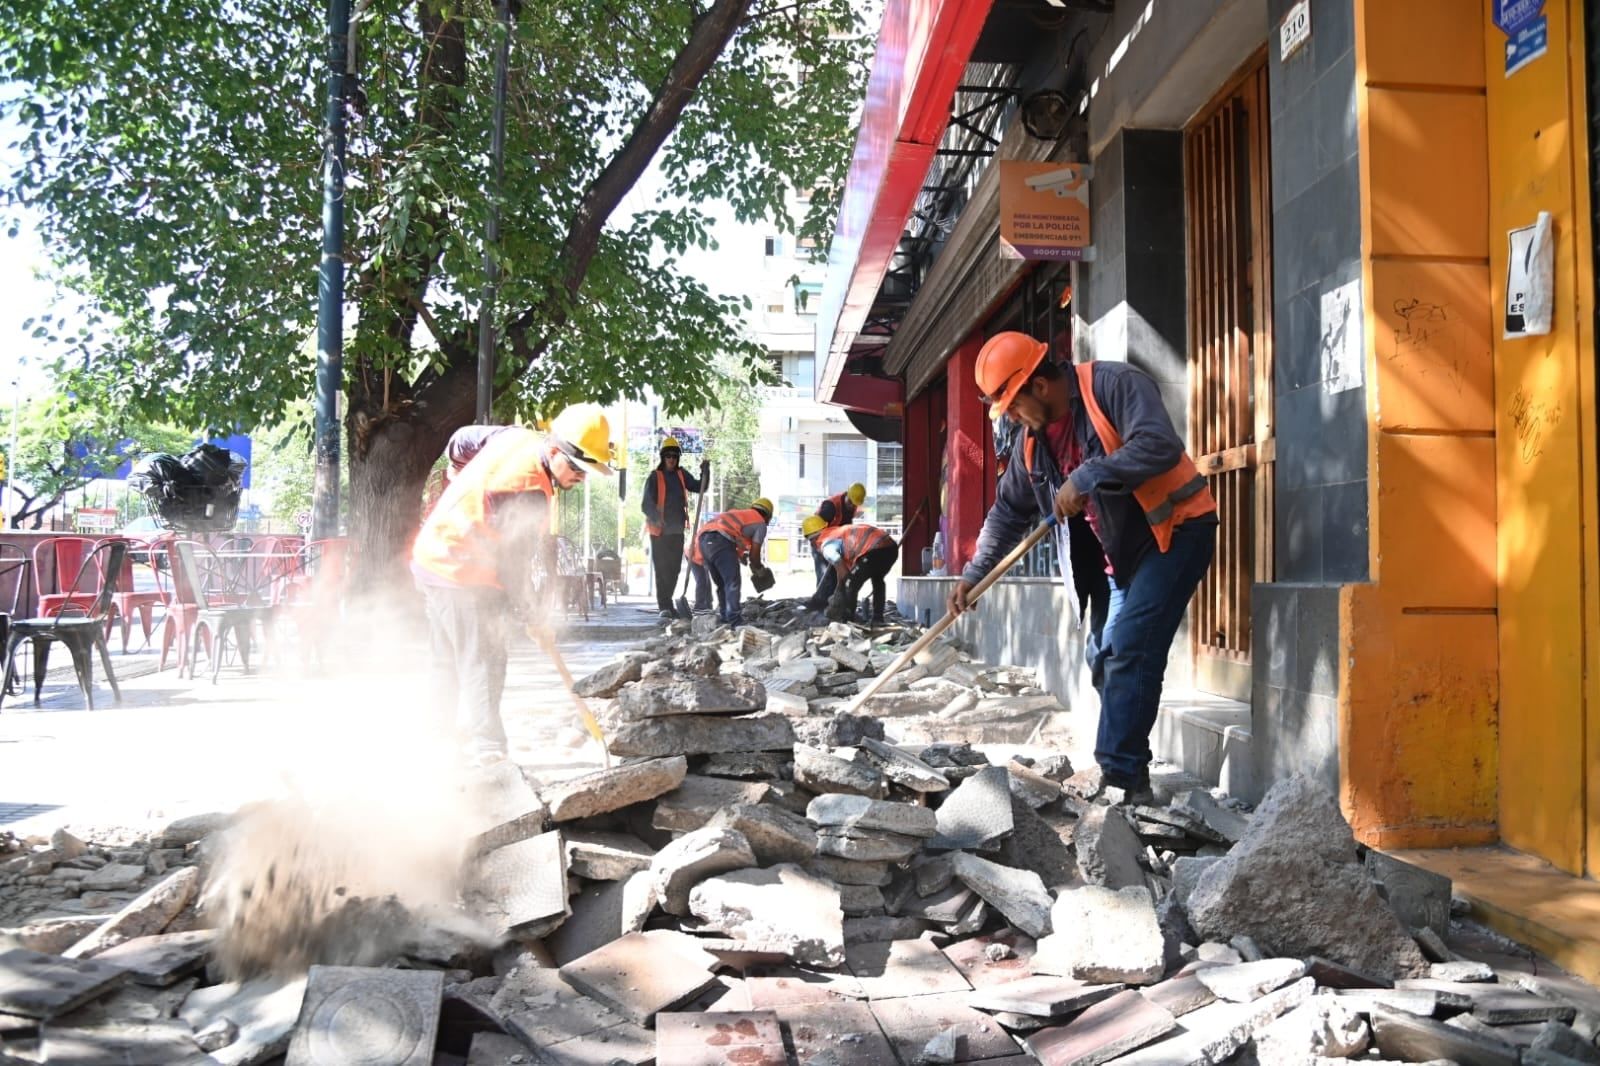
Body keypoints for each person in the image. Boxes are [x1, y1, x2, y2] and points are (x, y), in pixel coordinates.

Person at [947, 332, 1217, 803]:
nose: (1011, 417)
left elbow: (1158, 444)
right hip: (1119, 559)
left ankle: (1122, 781)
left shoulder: (1114, 385)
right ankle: (1126, 768)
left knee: (1133, 647)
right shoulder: (1033, 447)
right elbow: (1008, 513)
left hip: (1176, 532)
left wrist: (1088, 474)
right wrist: (974, 573)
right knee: (1105, 656)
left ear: (1040, 385)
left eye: (1013, 404)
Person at [411, 405, 616, 766]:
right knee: (485, 659)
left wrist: (459, 475)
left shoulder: (514, 437)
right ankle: (488, 752)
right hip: (461, 571)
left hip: (432, 557)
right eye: (577, 468)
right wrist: (529, 612)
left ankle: (434, 743)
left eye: (588, 471)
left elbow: (459, 441)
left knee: (448, 660)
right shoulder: (525, 490)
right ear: (555, 452)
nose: (581, 478)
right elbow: (513, 564)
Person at [641, 436, 707, 620]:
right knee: (662, 571)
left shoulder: (681, 475)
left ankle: (668, 603)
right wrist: (655, 518)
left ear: (678, 458)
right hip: (659, 533)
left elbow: (699, 487)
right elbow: (646, 504)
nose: (671, 459)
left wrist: (705, 474)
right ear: (663, 457)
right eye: (668, 456)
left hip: (677, 531)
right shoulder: (655, 477)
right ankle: (665, 606)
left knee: (675, 569)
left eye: (674, 456)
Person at [802, 515, 898, 623]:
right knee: (878, 580)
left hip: (873, 550)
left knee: (850, 584)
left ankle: (847, 620)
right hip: (890, 548)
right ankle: (878, 618)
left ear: (812, 540)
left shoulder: (826, 545)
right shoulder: (836, 533)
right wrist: (839, 586)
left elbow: (843, 571)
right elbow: (841, 569)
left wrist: (840, 593)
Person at [695, 497, 774, 626]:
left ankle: (725, 616)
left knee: (722, 583)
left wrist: (740, 556)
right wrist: (759, 569)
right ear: (768, 515)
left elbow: (734, 540)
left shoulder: (740, 515)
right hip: (720, 540)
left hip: (704, 540)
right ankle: (735, 620)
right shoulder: (760, 523)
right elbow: (755, 556)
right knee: (732, 583)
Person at [809, 482, 866, 602]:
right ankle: (820, 604)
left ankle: (833, 604)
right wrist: (819, 547)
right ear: (847, 495)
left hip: (835, 543)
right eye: (850, 502)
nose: (852, 506)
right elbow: (816, 529)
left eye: (854, 504)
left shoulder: (852, 505)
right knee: (825, 575)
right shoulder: (830, 507)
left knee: (836, 575)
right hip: (819, 541)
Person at [683, 516, 720, 616]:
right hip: (692, 556)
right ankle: (699, 606)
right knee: (702, 580)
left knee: (707, 580)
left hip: (702, 557)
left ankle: (708, 604)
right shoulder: (703, 539)